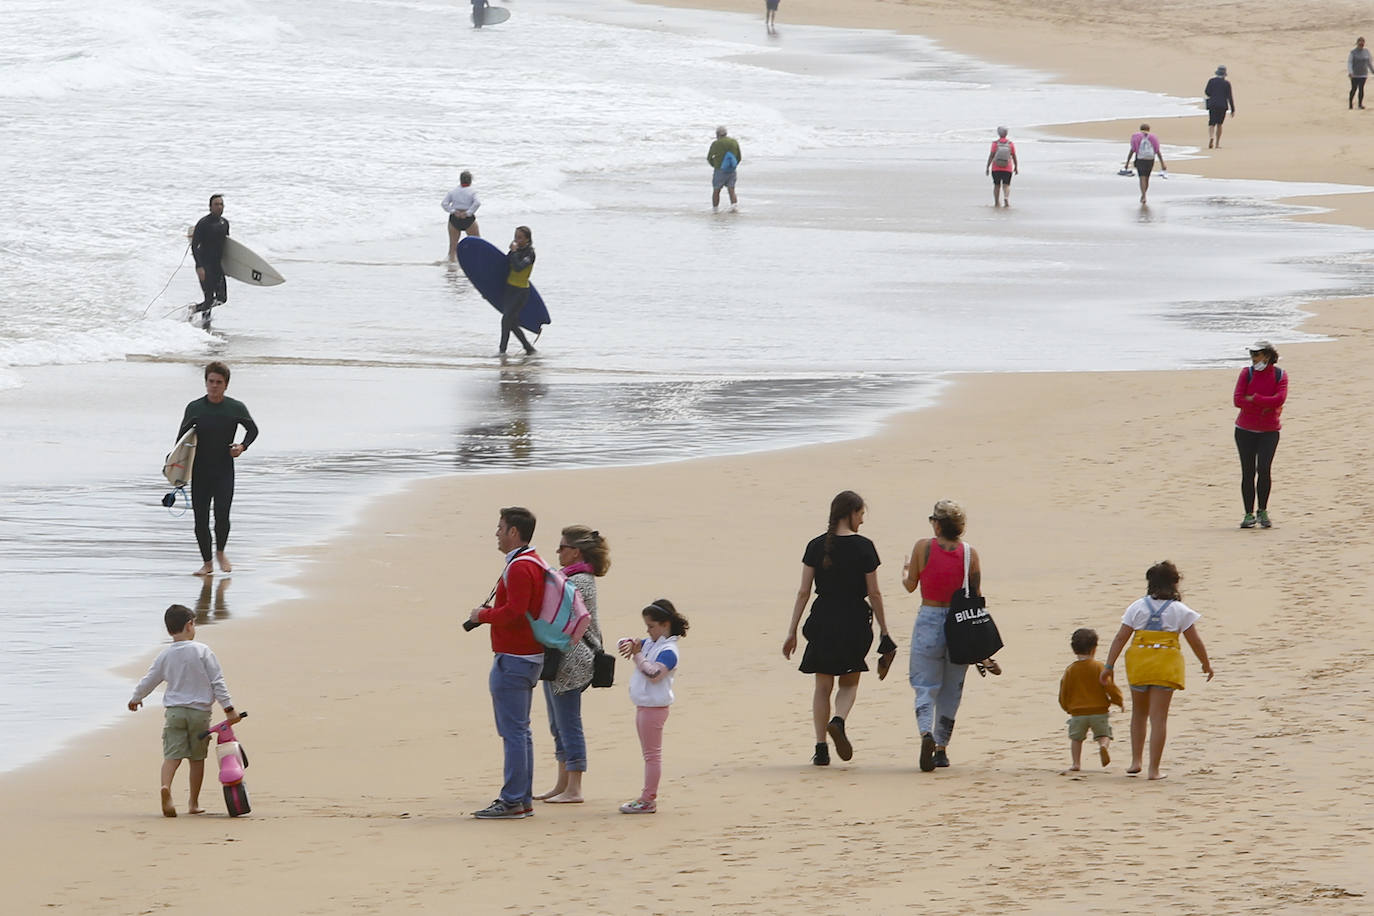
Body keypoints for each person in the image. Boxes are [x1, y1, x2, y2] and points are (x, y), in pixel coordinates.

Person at [782, 490, 893, 767]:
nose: (862, 521)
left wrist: (792, 630)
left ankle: (821, 748)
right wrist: (884, 630)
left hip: (823, 618)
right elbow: (874, 593)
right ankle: (839, 720)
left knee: (822, 685)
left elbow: (803, 592)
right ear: (850, 513)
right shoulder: (865, 546)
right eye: (861, 514)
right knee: (850, 681)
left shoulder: (816, 545)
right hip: (854, 618)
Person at [901, 499, 999, 773]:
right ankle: (942, 748)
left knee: (924, 685)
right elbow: (976, 597)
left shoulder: (923, 547)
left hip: (929, 618)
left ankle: (925, 734)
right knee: (951, 688)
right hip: (959, 624)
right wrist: (983, 650)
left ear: (937, 523)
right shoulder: (970, 553)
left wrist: (905, 571)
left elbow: (911, 585)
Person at [467, 507, 547, 819]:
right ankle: (521, 798)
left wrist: (481, 615)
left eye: (500, 528)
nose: (497, 533)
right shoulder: (535, 561)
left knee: (514, 732)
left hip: (516, 658)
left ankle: (513, 799)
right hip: (528, 656)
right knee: (520, 731)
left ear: (514, 531)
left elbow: (514, 612)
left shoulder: (519, 567)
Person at [1100, 562, 1214, 780]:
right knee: (1159, 718)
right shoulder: (1180, 610)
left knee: (1139, 714)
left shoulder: (1137, 607)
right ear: (1174, 583)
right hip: (1165, 664)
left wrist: (1109, 665)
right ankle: (1154, 769)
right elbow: (1195, 641)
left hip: (1139, 663)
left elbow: (1121, 637)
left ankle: (1136, 761)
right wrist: (1205, 664)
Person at [128, 604, 240, 817]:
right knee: (196, 759)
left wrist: (136, 698)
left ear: (169, 630)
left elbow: (150, 679)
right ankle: (193, 803)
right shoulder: (202, 651)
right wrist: (229, 709)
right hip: (199, 713)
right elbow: (217, 682)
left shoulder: (165, 655)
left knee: (172, 755)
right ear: (190, 625)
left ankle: (166, 788)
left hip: (175, 713)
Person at [534, 525, 610, 804]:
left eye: (562, 547)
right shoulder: (569, 578)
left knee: (568, 722)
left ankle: (574, 787)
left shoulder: (580, 582)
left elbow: (555, 612)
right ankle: (562, 783)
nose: (558, 551)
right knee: (557, 723)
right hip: (559, 658)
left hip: (573, 661)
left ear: (576, 551)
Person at [177, 361, 258, 576]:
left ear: (226, 385)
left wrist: (242, 446)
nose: (214, 386)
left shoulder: (235, 407)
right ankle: (207, 563)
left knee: (222, 515)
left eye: (219, 382)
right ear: (205, 382)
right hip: (200, 472)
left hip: (223, 471)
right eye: (211, 381)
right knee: (200, 520)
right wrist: (177, 470)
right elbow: (180, 442)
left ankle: (221, 552)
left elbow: (253, 430)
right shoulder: (195, 408)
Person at [617, 599, 689, 814]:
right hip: (644, 707)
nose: (648, 631)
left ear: (665, 624)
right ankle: (647, 797)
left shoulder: (669, 650)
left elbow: (654, 674)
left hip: (654, 709)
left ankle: (648, 798)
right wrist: (630, 643)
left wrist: (637, 654)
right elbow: (629, 642)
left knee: (652, 756)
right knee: (649, 755)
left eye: (651, 626)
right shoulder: (652, 644)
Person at [1233, 340, 1287, 529]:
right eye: (1252, 355)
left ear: (1267, 355)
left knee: (1263, 469)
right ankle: (1248, 514)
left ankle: (1262, 511)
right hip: (1244, 430)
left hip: (1270, 431)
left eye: (1257, 354)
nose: (1254, 358)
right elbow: (1238, 400)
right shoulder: (1245, 373)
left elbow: (1279, 399)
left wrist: (1255, 399)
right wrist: (1265, 404)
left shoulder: (1280, 374)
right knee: (1248, 472)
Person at [1058, 628, 1123, 772]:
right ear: (1094, 648)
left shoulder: (1070, 670)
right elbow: (1110, 687)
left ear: (1074, 649)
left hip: (1077, 712)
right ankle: (1103, 746)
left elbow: (1064, 691)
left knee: (1076, 738)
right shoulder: (1100, 667)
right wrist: (1118, 700)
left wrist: (1066, 706)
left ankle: (1076, 763)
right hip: (1099, 710)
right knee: (1103, 734)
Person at [499, 226, 537, 356]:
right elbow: (503, 267)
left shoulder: (530, 254)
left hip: (521, 292)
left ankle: (502, 351)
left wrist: (513, 252)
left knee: (506, 320)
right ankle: (529, 348)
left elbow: (518, 268)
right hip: (509, 290)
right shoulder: (514, 252)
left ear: (527, 239)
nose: (516, 240)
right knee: (512, 323)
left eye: (520, 237)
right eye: (515, 237)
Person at [190, 194, 229, 319]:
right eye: (216, 204)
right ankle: (206, 327)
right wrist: (199, 266)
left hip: (217, 266)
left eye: (221, 204)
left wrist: (229, 267)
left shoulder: (225, 223)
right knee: (209, 298)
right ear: (210, 207)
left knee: (222, 299)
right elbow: (195, 246)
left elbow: (227, 247)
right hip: (205, 265)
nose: (219, 207)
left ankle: (195, 309)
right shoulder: (203, 223)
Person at [441, 171, 481, 260]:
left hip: (455, 217)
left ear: (460, 180)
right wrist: (468, 213)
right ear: (470, 181)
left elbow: (444, 203)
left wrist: (453, 211)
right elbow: (477, 203)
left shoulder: (453, 191)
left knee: (453, 245)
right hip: (468, 218)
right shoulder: (473, 191)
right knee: (477, 242)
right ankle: (476, 260)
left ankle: (451, 265)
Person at [1124, 123, 1166, 205]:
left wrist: (1127, 162)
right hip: (1150, 159)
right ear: (1149, 129)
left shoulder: (1136, 137)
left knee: (1142, 177)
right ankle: (1144, 195)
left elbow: (1132, 150)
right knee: (1147, 178)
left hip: (1140, 159)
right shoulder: (1153, 137)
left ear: (1140, 129)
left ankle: (1143, 195)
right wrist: (1162, 164)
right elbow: (1157, 151)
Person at [706, 126, 742, 210]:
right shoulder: (734, 142)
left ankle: (715, 209)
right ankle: (734, 207)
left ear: (718, 134)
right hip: (732, 170)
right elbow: (739, 156)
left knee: (716, 190)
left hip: (719, 169)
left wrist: (714, 165)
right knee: (731, 190)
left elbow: (709, 157)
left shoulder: (716, 144)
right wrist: (733, 165)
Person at [985, 126, 1019, 208]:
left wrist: (987, 167)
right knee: (1006, 185)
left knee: (997, 185)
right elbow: (1014, 156)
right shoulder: (1010, 144)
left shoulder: (995, 144)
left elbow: (991, 155)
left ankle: (997, 202)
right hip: (1007, 167)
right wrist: (1016, 167)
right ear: (1006, 134)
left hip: (996, 168)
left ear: (998, 133)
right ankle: (1006, 198)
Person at [1204, 65, 1236, 148]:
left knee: (1211, 123)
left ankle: (1211, 137)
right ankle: (1217, 143)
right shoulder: (1226, 83)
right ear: (1224, 74)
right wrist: (1233, 109)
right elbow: (1230, 97)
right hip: (1222, 105)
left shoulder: (1211, 81)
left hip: (1213, 104)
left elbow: (1207, 92)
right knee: (1219, 124)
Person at [1348, 38, 1372, 110]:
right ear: (1357, 43)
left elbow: (1369, 63)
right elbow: (1350, 63)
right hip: (1355, 74)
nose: (1361, 45)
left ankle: (1360, 104)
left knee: (1361, 89)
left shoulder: (1366, 52)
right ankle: (1350, 104)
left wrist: (1372, 70)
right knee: (1354, 89)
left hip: (1363, 74)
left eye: (1362, 43)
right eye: (1360, 43)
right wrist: (1350, 72)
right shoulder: (1353, 52)